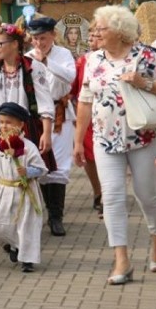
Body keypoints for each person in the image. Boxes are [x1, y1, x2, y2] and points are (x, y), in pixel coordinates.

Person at [74, 5, 156, 283]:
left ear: (120, 31)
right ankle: (121, 260)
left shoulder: (147, 55)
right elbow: (85, 102)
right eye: (95, 28)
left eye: (102, 28)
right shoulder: (93, 60)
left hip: (143, 138)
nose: (96, 32)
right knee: (111, 197)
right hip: (104, 139)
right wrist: (78, 141)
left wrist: (142, 82)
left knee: (146, 194)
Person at [0, 23, 55, 173]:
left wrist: (46, 133)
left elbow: (45, 101)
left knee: (27, 171)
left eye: (0, 43)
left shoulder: (33, 67)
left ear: (15, 44)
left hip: (25, 126)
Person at [0, 103, 48, 273]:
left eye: (9, 122)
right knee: (2, 225)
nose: (4, 126)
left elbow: (41, 169)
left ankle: (28, 259)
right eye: (2, 122)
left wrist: (28, 171)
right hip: (5, 192)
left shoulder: (28, 147)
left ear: (20, 125)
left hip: (25, 193)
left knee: (28, 225)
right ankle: (15, 245)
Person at [26, 17, 76, 237]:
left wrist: (46, 61)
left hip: (60, 115)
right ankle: (45, 211)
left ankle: (56, 217)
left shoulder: (63, 54)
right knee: (41, 163)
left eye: (43, 38)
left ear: (53, 36)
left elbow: (70, 77)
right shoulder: (27, 57)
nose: (39, 43)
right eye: (35, 39)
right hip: (37, 116)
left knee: (60, 164)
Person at [71, 23, 103, 215]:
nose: (92, 39)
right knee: (89, 155)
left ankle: (110, 191)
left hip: (109, 116)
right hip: (88, 115)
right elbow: (75, 89)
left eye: (97, 35)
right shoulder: (83, 61)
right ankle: (98, 191)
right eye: (90, 35)